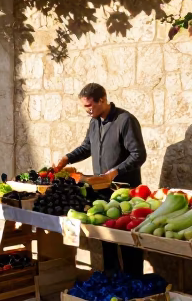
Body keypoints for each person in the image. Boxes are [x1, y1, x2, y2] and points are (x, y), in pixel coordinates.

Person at [53, 83, 147, 274]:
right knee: (106, 240)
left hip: (126, 193)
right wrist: (67, 158)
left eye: (89, 106)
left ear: (102, 100)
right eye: (85, 107)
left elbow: (138, 155)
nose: (87, 111)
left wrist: (116, 171)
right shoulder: (94, 122)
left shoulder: (125, 120)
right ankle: (111, 280)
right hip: (102, 192)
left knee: (128, 242)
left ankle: (134, 282)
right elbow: (87, 147)